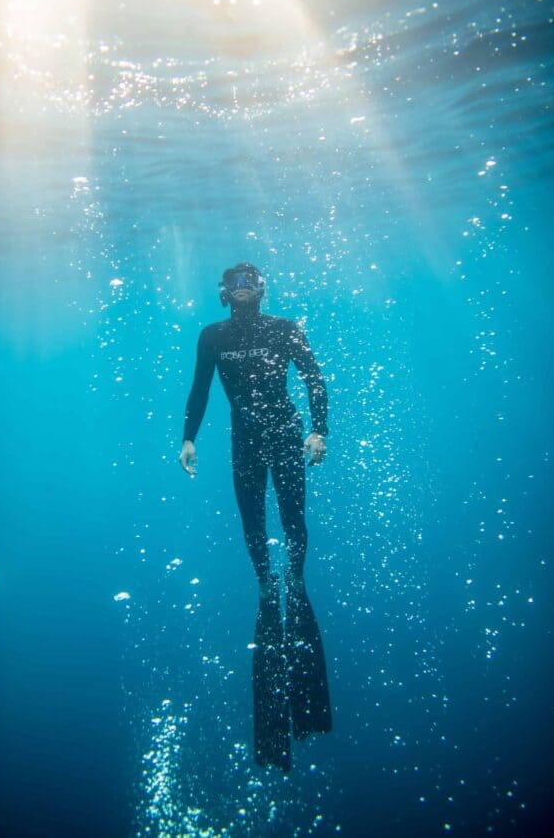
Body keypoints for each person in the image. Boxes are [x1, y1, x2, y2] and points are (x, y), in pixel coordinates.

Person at [179, 262, 332, 770]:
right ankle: (268, 585)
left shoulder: (286, 329)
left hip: (287, 436)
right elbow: (200, 389)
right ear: (224, 292)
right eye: (234, 283)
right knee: (251, 524)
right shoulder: (213, 335)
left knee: (292, 520)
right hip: (243, 442)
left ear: (262, 289)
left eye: (251, 282)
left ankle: (296, 578)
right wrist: (188, 437)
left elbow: (313, 376)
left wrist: (319, 430)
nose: (243, 289)